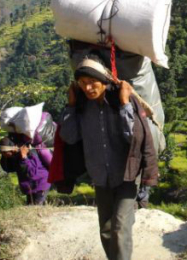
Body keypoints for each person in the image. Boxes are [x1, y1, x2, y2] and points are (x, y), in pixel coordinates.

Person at [58, 55, 159, 260]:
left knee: (120, 228)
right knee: (105, 228)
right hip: (100, 175)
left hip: (126, 175)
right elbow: (69, 136)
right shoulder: (81, 107)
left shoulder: (121, 101)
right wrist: (70, 105)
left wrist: (123, 105)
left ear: (103, 81)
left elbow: (134, 137)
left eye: (92, 82)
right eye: (82, 84)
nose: (87, 88)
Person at [0, 135, 50, 205]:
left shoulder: (29, 153)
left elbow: (32, 173)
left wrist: (24, 158)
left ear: (13, 148)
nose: (4, 155)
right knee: (31, 207)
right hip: (30, 186)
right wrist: (5, 158)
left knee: (36, 207)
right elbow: (8, 168)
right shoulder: (14, 156)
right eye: (2, 153)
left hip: (40, 183)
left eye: (5, 152)